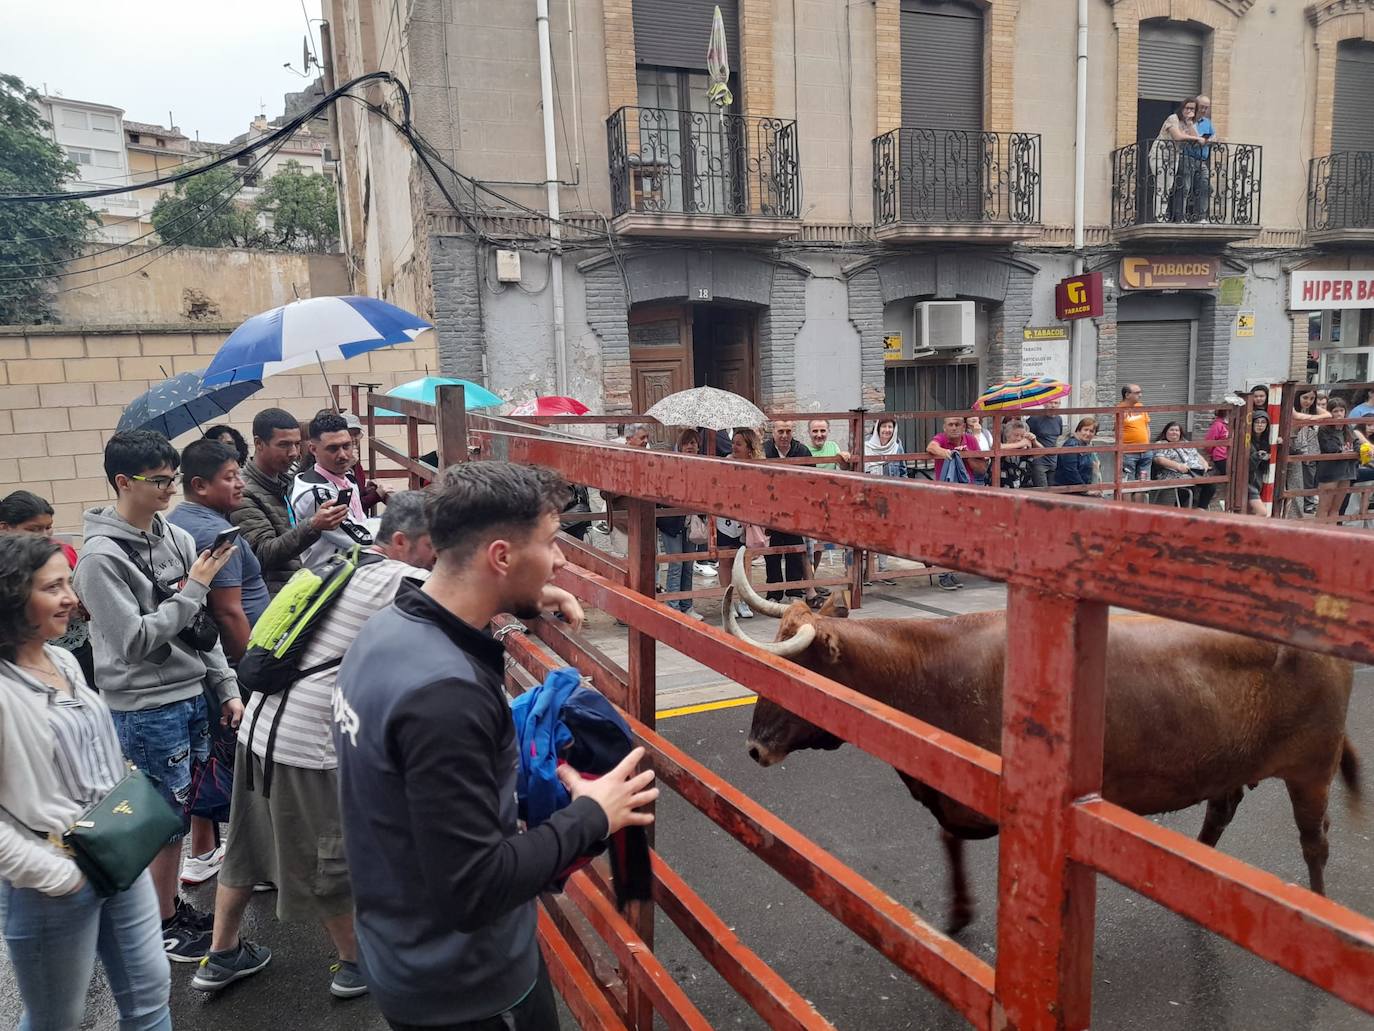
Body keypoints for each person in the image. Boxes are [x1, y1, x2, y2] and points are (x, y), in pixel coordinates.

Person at [333, 462, 655, 1031]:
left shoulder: (389, 632)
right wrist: (593, 815)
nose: (561, 561)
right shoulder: (444, 697)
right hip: (469, 989)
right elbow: (473, 889)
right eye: (552, 544)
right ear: (501, 557)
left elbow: (432, 782)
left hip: (401, 946)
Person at [193, 491, 454, 1000]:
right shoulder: (403, 580)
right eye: (436, 545)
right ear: (403, 542)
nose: (442, 557)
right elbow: (468, 604)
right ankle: (356, 965)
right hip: (306, 744)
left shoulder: (340, 561)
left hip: (261, 731)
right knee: (329, 857)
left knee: (246, 847)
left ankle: (222, 954)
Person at [73, 430, 244, 961]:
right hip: (146, 705)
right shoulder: (99, 559)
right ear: (124, 482)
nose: (171, 489)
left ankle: (166, 907)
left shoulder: (176, 537)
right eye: (160, 480)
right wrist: (193, 587)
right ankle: (160, 923)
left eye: (173, 478)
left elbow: (202, 630)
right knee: (159, 816)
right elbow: (135, 641)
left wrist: (226, 687)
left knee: (182, 807)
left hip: (192, 692)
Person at [0, 534, 173, 1031]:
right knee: (57, 1019)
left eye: (68, 584)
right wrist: (55, 875)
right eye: (53, 587)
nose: (72, 598)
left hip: (117, 853)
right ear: (12, 597)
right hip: (51, 879)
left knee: (150, 994)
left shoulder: (65, 661)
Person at [169, 440, 271, 663]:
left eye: (239, 475)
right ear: (199, 486)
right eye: (229, 477)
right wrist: (253, 670)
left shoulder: (178, 518)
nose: (241, 484)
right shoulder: (214, 533)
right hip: (239, 660)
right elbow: (227, 612)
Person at [234, 407, 349, 595]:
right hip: (277, 599)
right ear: (259, 443)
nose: (294, 453)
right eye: (284, 445)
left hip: (302, 586)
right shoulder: (243, 493)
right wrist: (313, 526)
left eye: (297, 444)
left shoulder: (287, 481)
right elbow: (263, 553)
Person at [0, 489, 94, 686]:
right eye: (33, 529)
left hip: (74, 646)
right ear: (4, 528)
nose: (44, 536)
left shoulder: (61, 551)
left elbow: (81, 593)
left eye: (48, 528)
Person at [291, 411, 374, 570]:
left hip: (350, 568)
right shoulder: (316, 494)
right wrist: (393, 524)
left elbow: (361, 522)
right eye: (333, 448)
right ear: (313, 449)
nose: (342, 455)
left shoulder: (347, 478)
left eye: (346, 446)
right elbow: (360, 540)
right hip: (328, 581)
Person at [761, 421, 812, 604]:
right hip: (770, 509)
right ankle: (773, 593)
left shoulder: (803, 451)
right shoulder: (763, 451)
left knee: (794, 551)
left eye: (788, 431)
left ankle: (795, 592)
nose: (784, 435)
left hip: (794, 509)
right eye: (780, 431)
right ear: (773, 431)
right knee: (772, 553)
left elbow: (810, 481)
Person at [657, 429, 704, 621]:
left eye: (694, 443)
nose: (691, 446)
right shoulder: (671, 466)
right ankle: (673, 606)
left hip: (690, 522)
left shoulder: (702, 467)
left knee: (689, 564)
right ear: (681, 446)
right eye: (687, 443)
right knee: (676, 563)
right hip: (672, 522)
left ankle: (687, 605)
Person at [719, 429, 761, 620]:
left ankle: (744, 600)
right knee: (726, 560)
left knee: (744, 561)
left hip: (746, 520)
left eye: (739, 444)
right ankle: (728, 601)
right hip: (726, 519)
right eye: (733, 443)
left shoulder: (756, 466)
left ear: (749, 447)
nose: (734, 447)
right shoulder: (725, 463)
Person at [860, 418, 906, 586]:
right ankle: (865, 571)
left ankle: (883, 569)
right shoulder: (865, 444)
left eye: (890, 427)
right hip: (868, 494)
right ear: (877, 428)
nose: (887, 430)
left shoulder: (897, 446)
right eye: (884, 426)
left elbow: (902, 470)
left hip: (889, 496)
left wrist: (902, 494)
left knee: (885, 533)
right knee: (866, 532)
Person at [806, 419, 849, 570]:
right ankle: (807, 582)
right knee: (808, 546)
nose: (819, 434)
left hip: (826, 504)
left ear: (828, 432)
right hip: (808, 504)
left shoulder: (832, 446)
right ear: (809, 433)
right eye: (815, 431)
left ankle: (813, 580)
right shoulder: (804, 449)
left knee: (820, 545)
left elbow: (843, 467)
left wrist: (844, 456)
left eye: (823, 431)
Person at [1159, 97, 1207, 222]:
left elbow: (1197, 141)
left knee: (1168, 186)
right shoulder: (1173, 118)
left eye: (1192, 109)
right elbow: (1177, 137)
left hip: (1173, 156)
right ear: (1182, 108)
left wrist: (1190, 123)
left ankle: (1162, 215)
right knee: (1161, 185)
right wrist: (1196, 139)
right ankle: (1158, 217)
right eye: (1187, 108)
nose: (1189, 111)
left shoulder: (1188, 123)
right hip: (1161, 154)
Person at [342, 412, 393, 514]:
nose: (354, 438)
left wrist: (367, 489)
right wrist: (377, 494)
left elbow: (357, 492)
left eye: (357, 434)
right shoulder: (341, 464)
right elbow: (352, 506)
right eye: (349, 433)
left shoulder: (354, 461)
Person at [1316, 397, 1356, 523]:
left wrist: (1361, 450)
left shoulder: (1348, 428)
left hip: (1347, 471)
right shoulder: (1324, 429)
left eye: (1341, 411)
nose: (1339, 414)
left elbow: (1356, 442)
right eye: (1335, 411)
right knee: (1324, 508)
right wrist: (1345, 451)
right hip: (1330, 471)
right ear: (1330, 412)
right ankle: (1317, 537)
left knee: (1336, 508)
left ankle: (1330, 537)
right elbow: (1329, 447)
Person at [1285, 387, 1324, 518]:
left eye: (1312, 398)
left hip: (1309, 447)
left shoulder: (1309, 411)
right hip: (1295, 447)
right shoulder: (1293, 410)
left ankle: (1307, 504)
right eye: (1305, 398)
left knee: (1309, 478)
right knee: (1296, 481)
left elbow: (1328, 415)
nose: (1308, 401)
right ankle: (1300, 508)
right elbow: (1297, 418)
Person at [1150, 422, 1208, 506]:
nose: (1174, 432)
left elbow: (1197, 454)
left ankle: (1201, 509)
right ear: (1166, 432)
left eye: (1177, 430)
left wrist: (1204, 463)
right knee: (1189, 483)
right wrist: (1178, 466)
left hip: (1193, 472)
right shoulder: (1161, 444)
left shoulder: (1185, 443)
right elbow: (1159, 459)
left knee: (1210, 484)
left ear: (1180, 433)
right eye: (1172, 430)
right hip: (1172, 473)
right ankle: (1179, 508)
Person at [1185, 95, 1215, 221]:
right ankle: (1180, 216)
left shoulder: (1207, 123)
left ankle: (1201, 217)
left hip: (1202, 160)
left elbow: (1215, 137)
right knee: (1185, 187)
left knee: (1205, 187)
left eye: (1206, 108)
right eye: (1202, 107)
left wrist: (1207, 140)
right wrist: (1198, 139)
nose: (1204, 110)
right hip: (1187, 157)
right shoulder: (1187, 121)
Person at [1119, 383, 1152, 483]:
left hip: (1145, 453)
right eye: (1137, 393)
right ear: (1127, 395)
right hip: (1128, 453)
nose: (1140, 395)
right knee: (1127, 484)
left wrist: (1147, 445)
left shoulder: (1140, 406)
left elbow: (1147, 426)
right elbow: (1117, 431)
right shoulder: (1119, 410)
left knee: (1143, 484)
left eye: (1140, 392)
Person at [1055, 418, 1098, 488]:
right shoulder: (1071, 444)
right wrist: (1085, 490)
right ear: (1079, 430)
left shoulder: (1088, 445)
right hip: (1069, 490)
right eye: (1085, 430)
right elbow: (1071, 471)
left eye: (1091, 431)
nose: (1088, 433)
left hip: (1082, 487)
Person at [998, 419, 1036, 489]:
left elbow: (1043, 453)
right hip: (1003, 491)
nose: (1019, 438)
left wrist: (1034, 441)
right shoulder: (1002, 446)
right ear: (1007, 435)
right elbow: (997, 447)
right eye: (1016, 435)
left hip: (1023, 491)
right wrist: (1020, 443)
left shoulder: (1025, 451)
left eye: (1022, 436)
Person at [965, 416, 994, 484]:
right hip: (971, 471)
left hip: (986, 469)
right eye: (970, 416)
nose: (973, 418)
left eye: (976, 415)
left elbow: (993, 446)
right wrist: (976, 434)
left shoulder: (985, 432)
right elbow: (972, 449)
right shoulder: (964, 434)